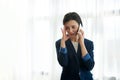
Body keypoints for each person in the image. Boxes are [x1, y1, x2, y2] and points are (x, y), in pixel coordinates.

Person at [55, 12, 95, 80]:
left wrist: (82, 43)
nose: (70, 31)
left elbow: (90, 66)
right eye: (67, 28)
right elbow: (63, 63)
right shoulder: (60, 43)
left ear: (79, 26)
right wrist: (63, 42)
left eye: (73, 27)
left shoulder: (89, 43)